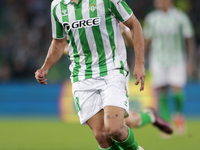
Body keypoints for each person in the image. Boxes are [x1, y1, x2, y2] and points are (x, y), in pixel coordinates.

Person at [35, 0, 145, 149]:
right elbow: (59, 42)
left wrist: (139, 63)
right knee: (101, 136)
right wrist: (45, 67)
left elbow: (134, 24)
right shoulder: (57, 5)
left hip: (111, 70)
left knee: (115, 129)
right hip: (82, 76)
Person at [143, 0, 196, 135]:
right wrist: (141, 61)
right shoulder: (152, 18)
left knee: (177, 91)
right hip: (158, 60)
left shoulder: (180, 17)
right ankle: (166, 124)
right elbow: (147, 41)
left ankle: (178, 117)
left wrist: (190, 61)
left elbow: (189, 39)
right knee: (162, 92)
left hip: (177, 59)